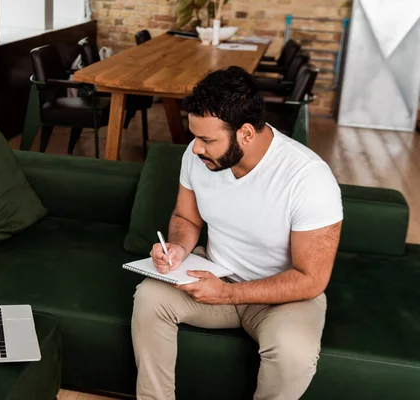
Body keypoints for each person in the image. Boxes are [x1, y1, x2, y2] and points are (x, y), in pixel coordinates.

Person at [131, 66, 343, 400]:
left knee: (294, 354)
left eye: (207, 139)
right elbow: (186, 217)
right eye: (195, 137)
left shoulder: (308, 178)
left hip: (281, 296)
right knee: (149, 297)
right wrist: (177, 247)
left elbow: (312, 279)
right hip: (215, 274)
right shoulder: (197, 156)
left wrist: (229, 294)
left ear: (245, 133)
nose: (196, 148)